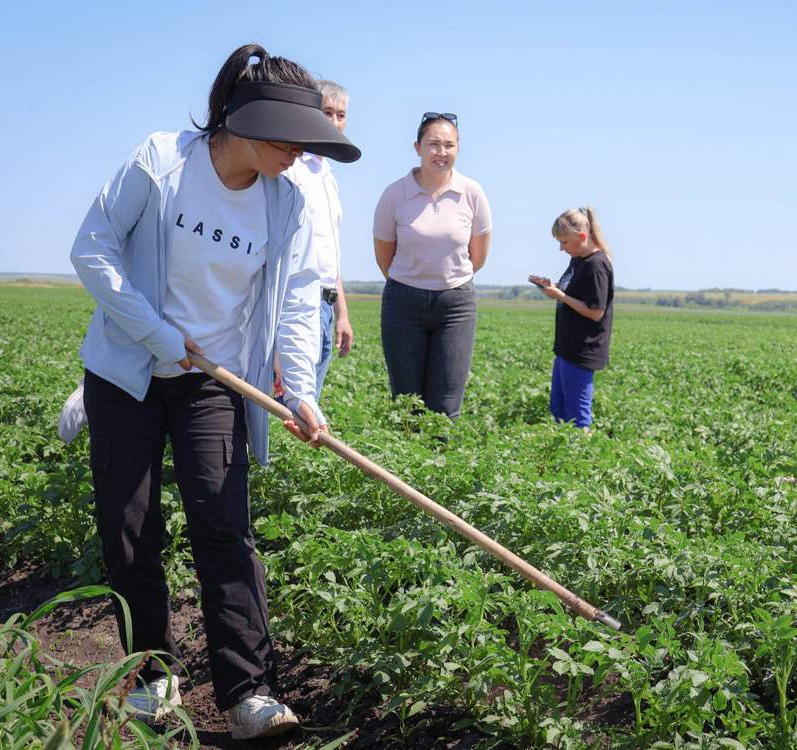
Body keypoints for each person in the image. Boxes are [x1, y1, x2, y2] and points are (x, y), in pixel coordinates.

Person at [69, 43, 359, 739]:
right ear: (252, 123)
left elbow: (294, 304)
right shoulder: (161, 162)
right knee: (131, 531)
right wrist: (158, 335)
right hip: (128, 375)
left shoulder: (287, 203)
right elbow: (94, 249)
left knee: (224, 530)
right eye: (295, 140)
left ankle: (248, 694)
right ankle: (150, 681)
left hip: (215, 385)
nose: (301, 155)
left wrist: (302, 393)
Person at [372, 112, 492, 418]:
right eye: (434, 144)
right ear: (418, 147)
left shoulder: (472, 193)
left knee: (446, 403)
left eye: (449, 145)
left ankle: (441, 464)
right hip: (403, 304)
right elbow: (385, 257)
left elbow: (477, 257)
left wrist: (445, 279)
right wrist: (415, 280)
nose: (441, 152)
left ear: (458, 148)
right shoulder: (394, 194)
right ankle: (404, 466)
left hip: (455, 305)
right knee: (407, 400)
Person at [283, 79, 353, 400]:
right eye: (327, 112)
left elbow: (329, 255)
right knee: (287, 400)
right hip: (298, 302)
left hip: (324, 305)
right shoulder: (291, 169)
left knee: (309, 401)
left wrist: (342, 313)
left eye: (341, 114)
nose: (335, 122)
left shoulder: (327, 175)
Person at [528, 206, 614, 429]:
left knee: (577, 418)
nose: (561, 248)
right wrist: (552, 288)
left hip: (582, 350)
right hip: (567, 348)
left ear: (582, 237)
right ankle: (566, 458)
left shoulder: (596, 266)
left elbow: (596, 312)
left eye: (564, 242)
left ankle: (582, 460)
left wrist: (561, 296)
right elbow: (572, 294)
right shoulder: (578, 259)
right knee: (559, 408)